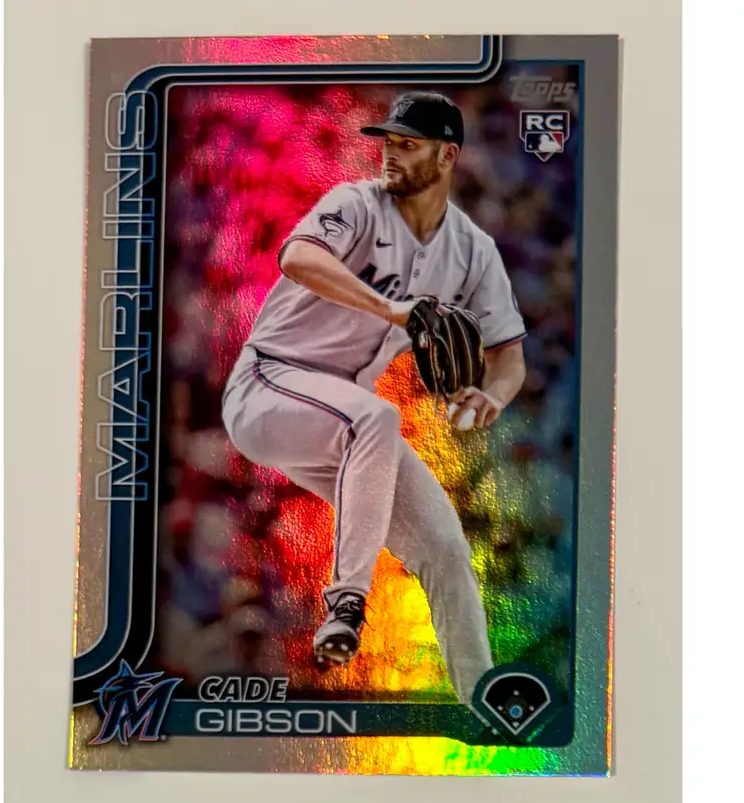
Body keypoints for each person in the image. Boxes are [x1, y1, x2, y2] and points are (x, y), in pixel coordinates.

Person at [221, 92, 527, 705]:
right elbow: (298, 257)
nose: (390, 153)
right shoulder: (355, 204)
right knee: (376, 416)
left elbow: (509, 358)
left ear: (447, 156)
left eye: (407, 144)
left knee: (446, 549)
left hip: (344, 424)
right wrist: (390, 308)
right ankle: (347, 605)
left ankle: (480, 699)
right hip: (268, 385)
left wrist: (492, 396)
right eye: (388, 141)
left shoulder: (472, 251)